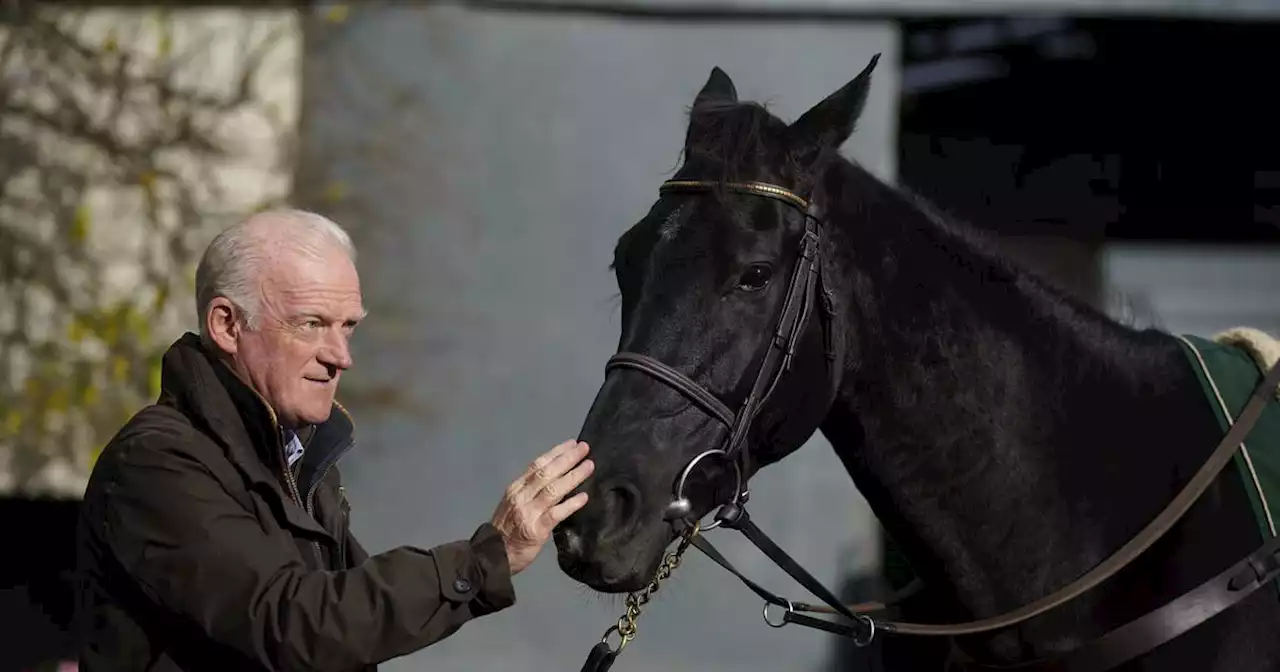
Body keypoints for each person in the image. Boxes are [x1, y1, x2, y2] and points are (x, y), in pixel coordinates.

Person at [73, 209, 594, 671]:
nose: (340, 355)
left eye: (348, 327)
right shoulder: (156, 463)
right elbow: (297, 625)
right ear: (227, 325)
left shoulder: (298, 463)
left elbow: (352, 627)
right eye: (312, 324)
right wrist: (484, 558)